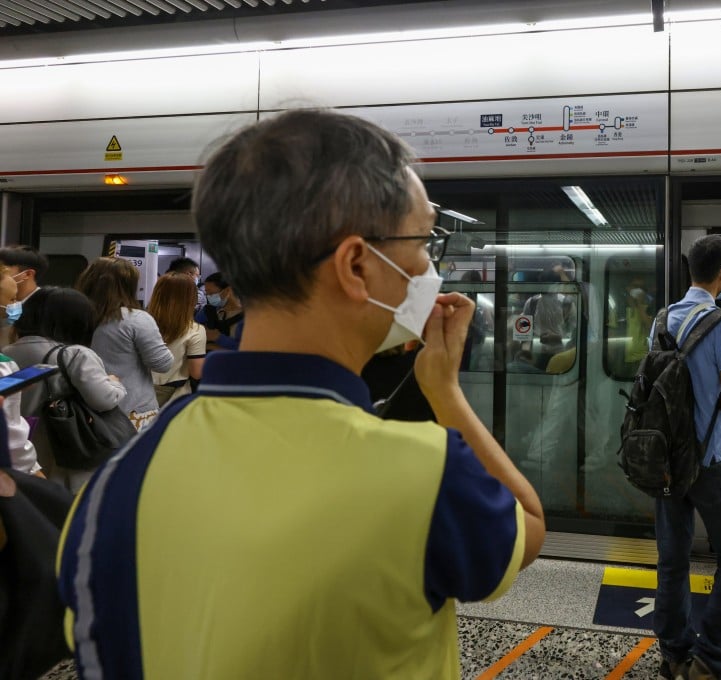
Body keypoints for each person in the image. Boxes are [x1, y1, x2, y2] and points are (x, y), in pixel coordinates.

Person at [57, 110, 544, 679]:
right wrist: (445, 392)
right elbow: (528, 523)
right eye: (421, 240)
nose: (428, 266)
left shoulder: (115, 485)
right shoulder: (422, 471)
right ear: (357, 264)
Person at [650, 235, 721, 680]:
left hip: (668, 461)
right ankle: (711, 659)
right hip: (711, 462)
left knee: (673, 559)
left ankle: (674, 653)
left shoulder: (663, 319)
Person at [3, 287, 126, 492]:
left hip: (21, 450)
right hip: (66, 452)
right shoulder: (75, 354)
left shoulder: (7, 353)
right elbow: (103, 399)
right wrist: (114, 382)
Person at [76, 257, 174, 431]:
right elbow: (162, 364)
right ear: (128, 286)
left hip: (85, 409)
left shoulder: (74, 315)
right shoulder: (136, 319)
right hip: (132, 411)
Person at [0, 269, 41, 476]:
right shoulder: (3, 367)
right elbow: (11, 437)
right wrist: (35, 472)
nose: (14, 306)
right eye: (12, 299)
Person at [148, 272, 207, 406]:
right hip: (174, 399)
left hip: (139, 395)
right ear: (191, 299)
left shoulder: (141, 323)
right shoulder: (195, 330)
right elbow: (196, 373)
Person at [196, 271, 244, 351]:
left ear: (227, 290)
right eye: (206, 294)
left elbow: (246, 348)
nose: (208, 297)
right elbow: (191, 332)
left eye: (211, 293)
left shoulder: (246, 316)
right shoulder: (208, 311)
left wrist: (217, 337)